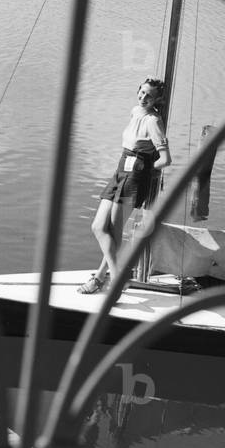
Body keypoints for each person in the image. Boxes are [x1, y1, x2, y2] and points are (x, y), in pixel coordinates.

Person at [79, 78, 172, 294]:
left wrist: (146, 170)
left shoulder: (152, 121)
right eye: (142, 92)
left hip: (135, 176)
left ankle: (102, 279)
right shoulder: (135, 111)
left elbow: (166, 159)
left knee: (113, 229)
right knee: (98, 227)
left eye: (149, 95)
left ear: (157, 99)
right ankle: (116, 276)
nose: (143, 98)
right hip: (120, 170)